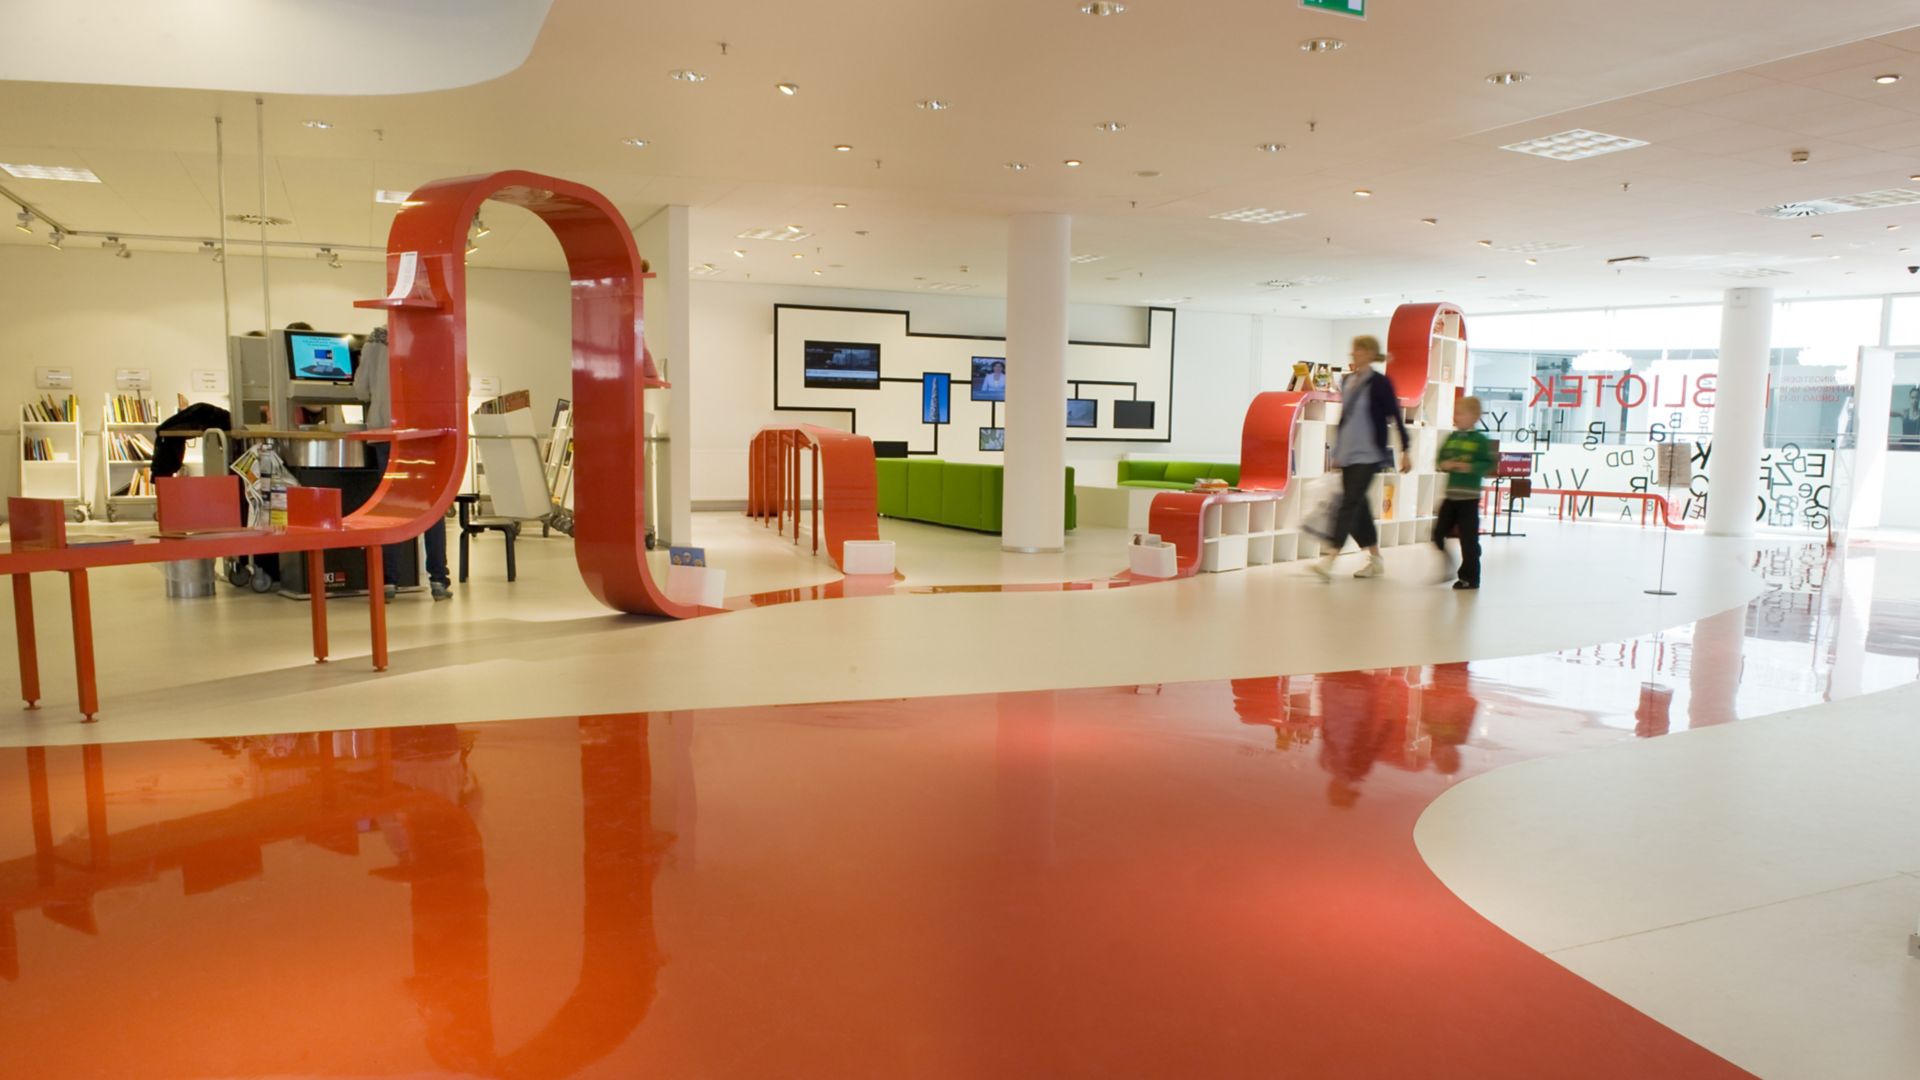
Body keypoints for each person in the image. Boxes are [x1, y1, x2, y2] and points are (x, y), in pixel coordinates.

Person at [354, 326, 451, 600]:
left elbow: (361, 391)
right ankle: (438, 580)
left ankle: (388, 581)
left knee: (391, 505)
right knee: (432, 506)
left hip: (387, 433)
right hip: (428, 433)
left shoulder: (375, 340)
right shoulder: (434, 338)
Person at [1311, 336, 1410, 581]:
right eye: (1353, 350)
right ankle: (1376, 559)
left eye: (1358, 350)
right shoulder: (1347, 382)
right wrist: (1336, 452)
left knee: (1349, 503)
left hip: (1369, 455)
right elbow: (1346, 419)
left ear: (1369, 353)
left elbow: (1396, 416)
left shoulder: (1380, 383)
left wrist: (1406, 450)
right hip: (1347, 455)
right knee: (1358, 509)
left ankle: (1330, 558)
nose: (1353, 354)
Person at [1432, 396, 1496, 591]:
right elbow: (1440, 460)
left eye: (1461, 413)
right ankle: (1448, 563)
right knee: (1438, 533)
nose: (1457, 416)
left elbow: (1489, 464)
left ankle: (1470, 577)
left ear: (1474, 416)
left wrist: (1469, 467)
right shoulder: (1451, 438)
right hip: (1450, 497)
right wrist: (1445, 465)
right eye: (1456, 412)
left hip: (1469, 499)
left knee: (1468, 541)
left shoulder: (1480, 441)